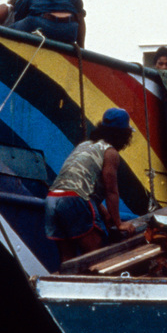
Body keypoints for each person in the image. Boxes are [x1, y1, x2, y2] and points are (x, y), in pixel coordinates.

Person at [45, 108, 136, 262]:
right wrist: (118, 223)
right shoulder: (110, 152)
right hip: (73, 200)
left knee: (68, 260)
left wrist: (105, 213)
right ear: (123, 135)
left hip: (52, 199)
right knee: (96, 256)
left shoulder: (85, 145)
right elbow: (111, 191)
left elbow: (81, 183)